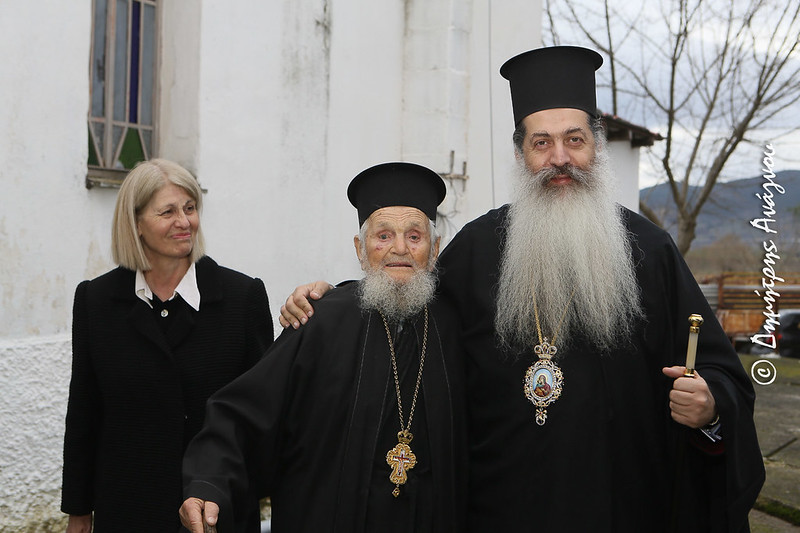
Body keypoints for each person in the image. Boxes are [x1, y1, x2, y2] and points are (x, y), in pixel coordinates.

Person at [279, 46, 765, 532]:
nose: (560, 159)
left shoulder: (649, 250)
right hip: (499, 510)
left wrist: (710, 407)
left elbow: (720, 374)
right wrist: (336, 299)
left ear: (596, 146)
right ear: (520, 154)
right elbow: (408, 317)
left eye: (574, 140)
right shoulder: (476, 249)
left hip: (624, 508)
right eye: (541, 143)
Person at [180, 162, 466, 533]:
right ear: (360, 249)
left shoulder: (457, 327)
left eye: (414, 236)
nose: (400, 249)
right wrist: (209, 482)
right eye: (383, 236)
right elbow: (246, 411)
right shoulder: (320, 320)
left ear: (435, 248)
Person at [61, 159, 274, 533]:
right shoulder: (96, 300)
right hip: (127, 507)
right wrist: (78, 509)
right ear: (136, 224)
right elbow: (85, 410)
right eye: (168, 212)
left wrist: (246, 489)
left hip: (216, 510)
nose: (184, 222)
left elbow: (261, 413)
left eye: (190, 208)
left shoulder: (243, 297)